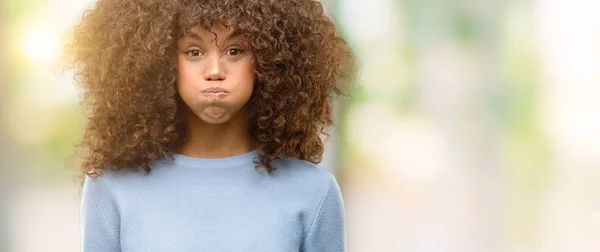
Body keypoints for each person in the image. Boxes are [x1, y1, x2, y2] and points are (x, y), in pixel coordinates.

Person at [66, 0, 356, 251]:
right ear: (160, 63)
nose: (215, 71)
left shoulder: (313, 192)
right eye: (193, 52)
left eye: (234, 51)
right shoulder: (112, 188)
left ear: (272, 60)